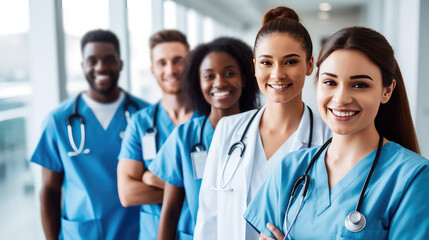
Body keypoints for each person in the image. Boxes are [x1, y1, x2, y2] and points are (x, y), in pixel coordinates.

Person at [244, 26, 429, 240]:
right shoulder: (290, 169)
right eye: (330, 82)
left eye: (359, 85)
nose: (341, 98)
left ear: (386, 91)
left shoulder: (412, 177)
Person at [194, 7, 331, 240]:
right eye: (267, 63)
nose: (277, 74)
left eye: (290, 61)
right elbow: (208, 218)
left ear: (309, 65)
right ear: (255, 66)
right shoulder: (228, 130)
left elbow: (330, 224)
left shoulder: (328, 138)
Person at [30, 29, 149, 239]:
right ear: (82, 66)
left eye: (109, 59)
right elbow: (49, 191)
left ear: (120, 64)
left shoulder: (146, 116)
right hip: (83, 234)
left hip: (136, 229)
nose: (100, 67)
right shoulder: (58, 122)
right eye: (92, 60)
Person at [147, 37, 260, 240]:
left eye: (229, 73)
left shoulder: (262, 129)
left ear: (244, 78)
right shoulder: (184, 137)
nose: (219, 82)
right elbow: (171, 210)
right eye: (209, 76)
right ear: (198, 83)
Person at [117, 29, 198, 240]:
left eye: (178, 60)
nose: (170, 70)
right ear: (152, 69)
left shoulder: (210, 120)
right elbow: (127, 193)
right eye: (162, 63)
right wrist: (191, 190)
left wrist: (152, 179)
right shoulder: (140, 123)